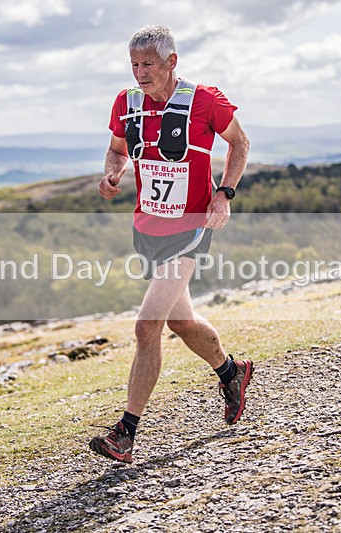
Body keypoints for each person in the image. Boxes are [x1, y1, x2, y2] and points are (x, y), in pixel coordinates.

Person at [89, 25, 252, 464]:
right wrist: (112, 173)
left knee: (147, 326)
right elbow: (117, 150)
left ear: (172, 61)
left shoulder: (205, 100)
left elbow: (239, 142)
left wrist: (224, 193)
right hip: (147, 230)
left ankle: (125, 433)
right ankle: (232, 372)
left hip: (190, 230)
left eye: (148, 64)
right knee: (181, 321)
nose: (140, 73)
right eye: (134, 65)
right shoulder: (127, 103)